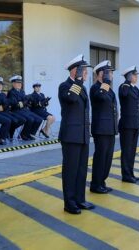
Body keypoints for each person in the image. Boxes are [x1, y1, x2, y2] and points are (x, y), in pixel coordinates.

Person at [58, 54, 95, 214]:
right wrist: (78, 81)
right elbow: (72, 99)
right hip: (71, 136)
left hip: (83, 135)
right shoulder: (64, 86)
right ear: (75, 71)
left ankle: (80, 199)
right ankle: (69, 202)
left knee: (81, 170)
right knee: (71, 170)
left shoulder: (83, 88)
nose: (86, 74)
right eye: (84, 71)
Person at [90, 60, 118, 194]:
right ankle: (95, 184)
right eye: (109, 73)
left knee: (108, 157)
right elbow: (100, 97)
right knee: (100, 157)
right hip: (101, 129)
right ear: (101, 74)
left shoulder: (108, 88)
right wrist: (106, 82)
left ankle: (102, 182)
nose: (111, 75)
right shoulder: (96, 87)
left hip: (110, 128)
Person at [118, 66, 139, 184]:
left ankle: (130, 173)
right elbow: (123, 95)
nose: (136, 77)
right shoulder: (124, 87)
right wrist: (126, 81)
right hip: (126, 125)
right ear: (129, 76)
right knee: (126, 150)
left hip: (134, 124)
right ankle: (126, 175)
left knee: (132, 151)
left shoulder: (136, 89)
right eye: (135, 75)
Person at [0, 77, 25, 141]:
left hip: (6, 111)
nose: (1, 86)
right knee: (9, 121)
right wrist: (3, 105)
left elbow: (8, 103)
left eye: (1, 85)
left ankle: (8, 132)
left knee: (21, 120)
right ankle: (0, 138)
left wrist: (9, 103)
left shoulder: (3, 94)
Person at [7, 75, 43, 140]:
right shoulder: (11, 92)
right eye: (17, 83)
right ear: (13, 84)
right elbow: (15, 104)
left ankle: (31, 134)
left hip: (24, 109)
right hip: (16, 110)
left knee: (39, 119)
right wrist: (24, 102)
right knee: (30, 119)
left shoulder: (22, 91)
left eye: (20, 83)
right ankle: (23, 135)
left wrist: (26, 102)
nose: (19, 84)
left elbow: (24, 101)